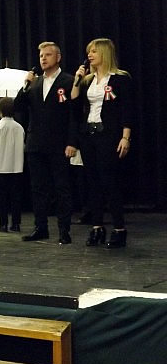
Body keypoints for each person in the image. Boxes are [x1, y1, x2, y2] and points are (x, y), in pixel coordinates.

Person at [71, 38, 134, 248]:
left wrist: (125, 136)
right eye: (89, 52)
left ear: (105, 54)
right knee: (92, 182)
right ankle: (97, 227)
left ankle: (119, 229)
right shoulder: (87, 80)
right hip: (89, 135)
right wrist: (77, 80)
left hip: (109, 135)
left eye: (94, 52)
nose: (90, 55)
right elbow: (74, 104)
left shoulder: (120, 78)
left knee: (109, 181)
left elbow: (127, 109)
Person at [14, 41, 77, 244]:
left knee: (61, 188)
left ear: (58, 57)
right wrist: (25, 86)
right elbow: (17, 107)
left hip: (59, 143)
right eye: (41, 55)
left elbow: (74, 115)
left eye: (48, 55)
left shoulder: (68, 81)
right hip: (36, 143)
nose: (43, 58)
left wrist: (72, 142)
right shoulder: (34, 83)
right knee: (38, 188)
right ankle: (40, 227)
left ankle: (64, 230)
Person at [0, 98, 25, 233]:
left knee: (2, 197)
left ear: (0, 110)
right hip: (16, 167)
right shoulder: (19, 127)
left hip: (1, 167)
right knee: (16, 197)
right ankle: (16, 224)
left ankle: (3, 224)